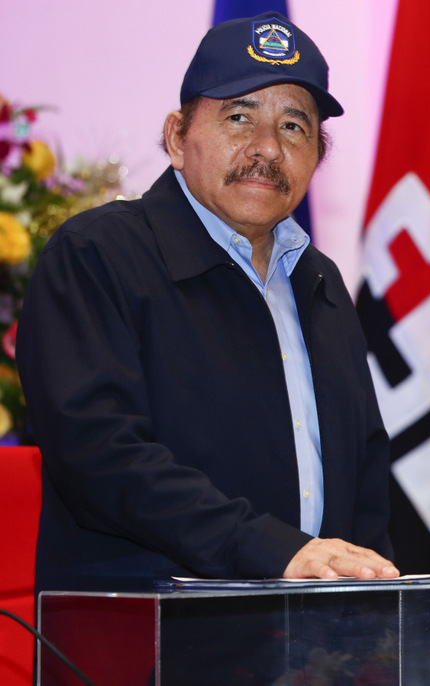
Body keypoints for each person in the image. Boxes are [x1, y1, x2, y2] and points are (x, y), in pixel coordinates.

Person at [18, 12, 399, 594]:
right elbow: (99, 455)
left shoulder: (319, 280)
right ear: (178, 137)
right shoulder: (97, 255)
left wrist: (373, 604)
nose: (267, 148)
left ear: (317, 157)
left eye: (293, 127)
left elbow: (364, 481)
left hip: (314, 634)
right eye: (239, 117)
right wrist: (272, 550)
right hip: (146, 628)